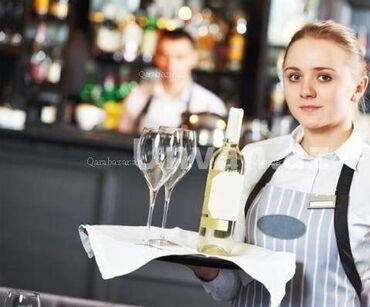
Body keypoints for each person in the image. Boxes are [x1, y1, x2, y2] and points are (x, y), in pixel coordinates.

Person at [191, 20, 370, 307]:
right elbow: (229, 288)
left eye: (324, 77)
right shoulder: (255, 158)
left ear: (358, 86)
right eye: (294, 76)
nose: (306, 91)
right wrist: (205, 266)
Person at [118, 29, 227, 134]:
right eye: (165, 56)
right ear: (156, 57)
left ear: (194, 58)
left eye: (179, 57)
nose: (171, 65)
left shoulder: (211, 105)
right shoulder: (137, 97)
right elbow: (122, 143)